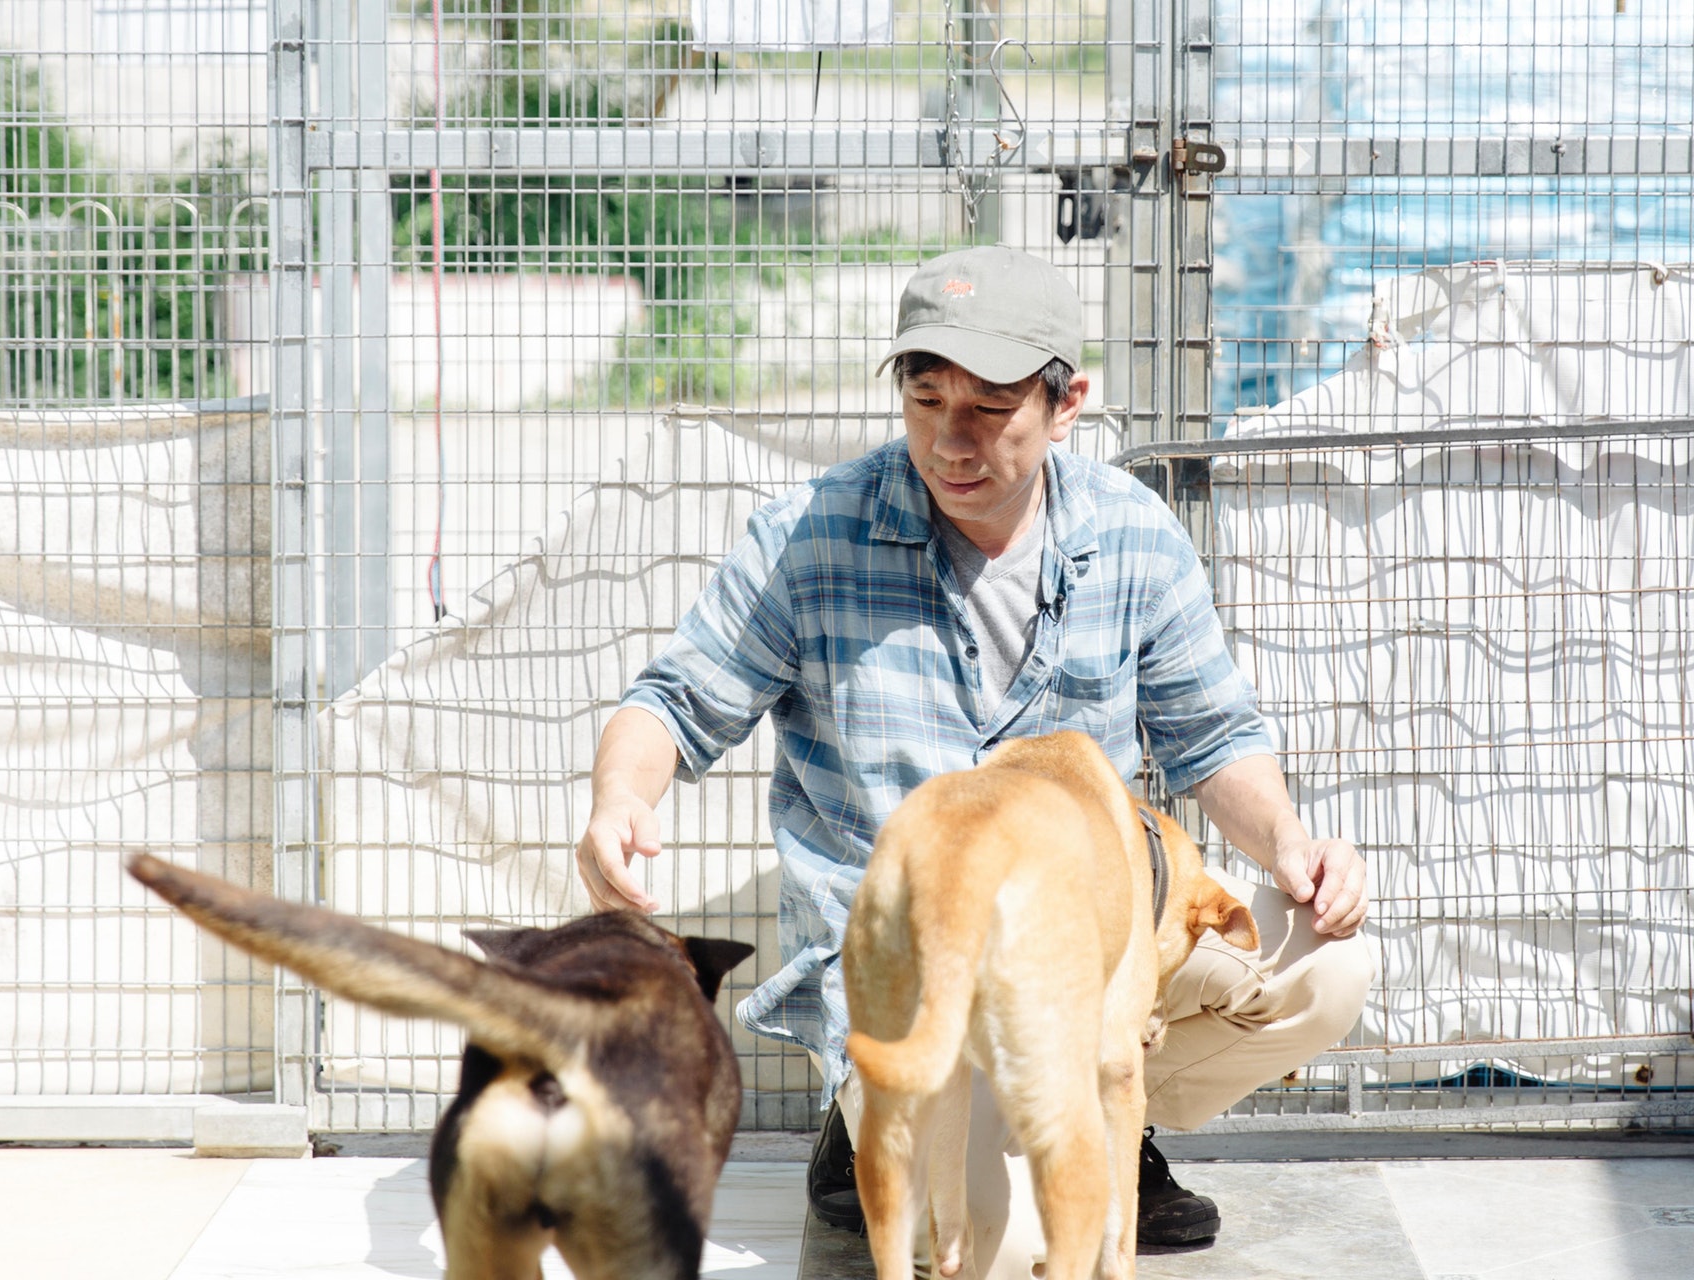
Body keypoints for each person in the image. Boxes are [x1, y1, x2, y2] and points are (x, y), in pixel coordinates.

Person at [576, 244, 1374, 1267]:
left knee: (1334, 960)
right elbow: (672, 703)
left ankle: (1105, 1125)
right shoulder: (813, 536)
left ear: (1067, 402)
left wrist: (1293, 844)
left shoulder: (1134, 535)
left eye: (991, 406)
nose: (951, 439)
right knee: (987, 1252)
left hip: (1080, 954)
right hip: (922, 970)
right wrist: (617, 798)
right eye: (925, 397)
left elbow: (1214, 739)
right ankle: (879, 1118)